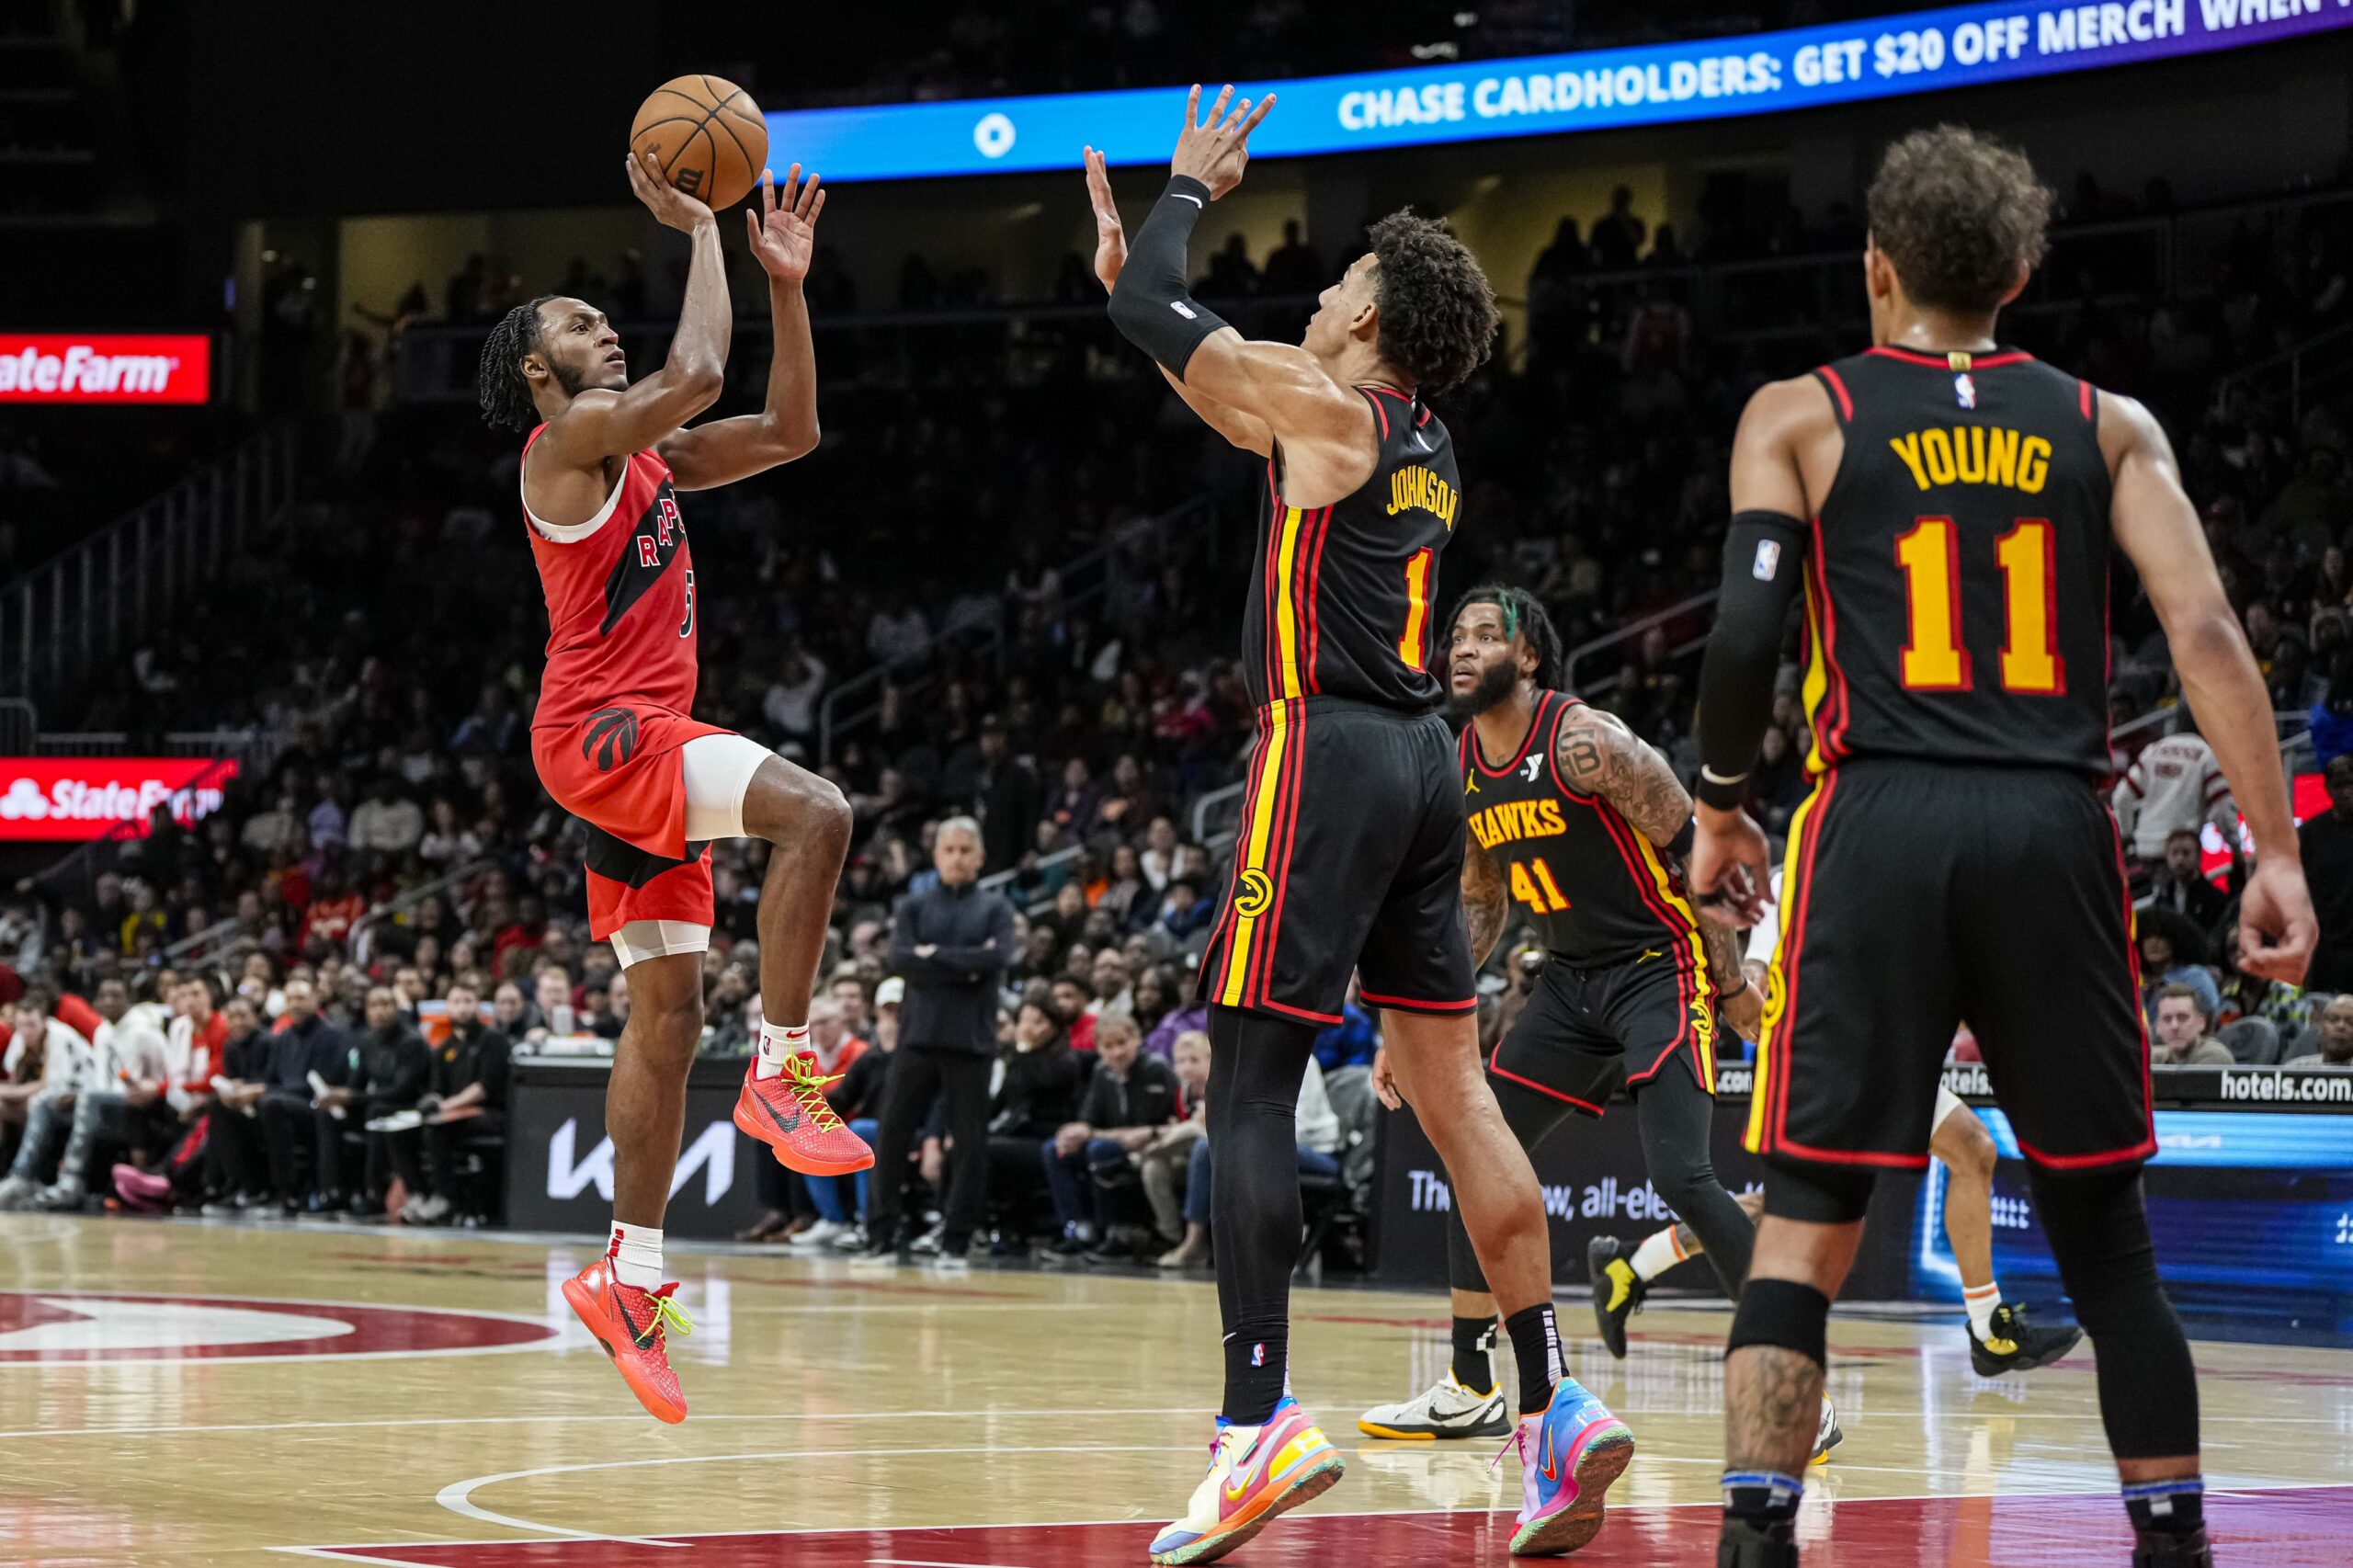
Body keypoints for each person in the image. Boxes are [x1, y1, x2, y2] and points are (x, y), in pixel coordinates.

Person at [1686, 126, 2315, 1568]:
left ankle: (1757, 1541)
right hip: (2049, 822)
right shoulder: (2109, 423)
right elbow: (2207, 633)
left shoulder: (1800, 412)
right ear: (2021, 272)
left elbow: (1740, 637)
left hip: (1879, 822)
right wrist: (2273, 847)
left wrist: (1720, 808)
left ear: (1876, 265)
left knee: (1805, 1224)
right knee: (2106, 1234)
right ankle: (2171, 1545)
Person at [1088, 92, 1620, 1563]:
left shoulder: (1332, 410)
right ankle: (1553, 1408)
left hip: (1320, 753)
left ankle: (1253, 1423)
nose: (1319, 295)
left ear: (1374, 315)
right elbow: (1205, 369)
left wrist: (1187, 198)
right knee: (1458, 1098)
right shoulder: (1420, 438)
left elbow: (1167, 313)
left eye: (1337, 284)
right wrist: (1141, 300)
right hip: (1424, 773)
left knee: (1251, 1076)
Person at [477, 153, 865, 1421]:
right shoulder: (567, 444)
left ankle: (628, 1273)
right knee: (818, 811)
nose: (606, 328)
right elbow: (695, 371)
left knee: (666, 1014)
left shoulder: (651, 456)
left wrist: (787, 288)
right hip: (604, 732)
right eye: (580, 324)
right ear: (540, 372)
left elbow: (794, 430)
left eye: (603, 317)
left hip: (626, 742)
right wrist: (702, 226)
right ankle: (787, 1065)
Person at [1358, 588, 1778, 1447]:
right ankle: (1469, 1385)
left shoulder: (1589, 743)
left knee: (1682, 1175)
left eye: (1485, 636)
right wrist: (1409, 1021)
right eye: (1456, 638)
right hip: (1571, 981)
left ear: (1531, 658)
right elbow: (1479, 905)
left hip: (1664, 968)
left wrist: (1732, 984)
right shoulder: (1459, 761)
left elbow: (1695, 850)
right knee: (1476, 1147)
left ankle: (1788, 1371)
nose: (1461, 651)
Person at [863, 818, 1016, 1267]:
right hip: (917, 1037)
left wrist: (934, 958)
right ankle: (881, 1236)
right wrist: (964, 965)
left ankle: (956, 1239)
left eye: (966, 850)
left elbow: (997, 957)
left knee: (969, 1143)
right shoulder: (913, 905)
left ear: (981, 857)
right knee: (891, 1135)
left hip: (972, 1041)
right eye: (949, 849)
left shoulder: (996, 908)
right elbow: (901, 958)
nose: (957, 858)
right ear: (936, 855)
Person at [1039, 1012, 1182, 1259]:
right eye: (1108, 1046)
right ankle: (1078, 1229)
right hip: (1113, 1141)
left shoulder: (1156, 1069)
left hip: (1156, 1144)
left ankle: (1119, 1233)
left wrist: (1091, 1133)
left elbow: (1142, 1131)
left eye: (1121, 1043)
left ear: (1137, 1039)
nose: (1116, 1052)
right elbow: (1089, 1119)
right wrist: (1074, 1132)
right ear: (1098, 1049)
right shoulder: (1101, 1072)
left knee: (1100, 1150)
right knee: (1056, 1149)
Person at [0, 988, 94, 1209]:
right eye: (22, 1025)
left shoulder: (58, 1036)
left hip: (82, 1101)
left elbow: (51, 1088)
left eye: (32, 1025)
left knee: (37, 1103)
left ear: (45, 1021)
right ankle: (6, 1171)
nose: (27, 1031)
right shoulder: (19, 1038)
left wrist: (6, 1092)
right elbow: (16, 1081)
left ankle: (22, 1176)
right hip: (51, 1102)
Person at [1144, 1028, 1212, 1263]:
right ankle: (1172, 1235)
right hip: (1190, 1155)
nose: (1187, 1066)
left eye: (1194, 1060)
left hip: (1216, 1154)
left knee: (1193, 1137)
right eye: (1181, 1061)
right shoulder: (1182, 1092)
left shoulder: (1219, 1085)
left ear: (1211, 1060)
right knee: (1153, 1167)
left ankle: (1198, 1241)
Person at [2295, 754, 2353, 991]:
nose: (2347, 792)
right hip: (2326, 948)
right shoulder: (2309, 835)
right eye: (2340, 785)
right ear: (2328, 789)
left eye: (2352, 783)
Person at [2147, 828, 2230, 934]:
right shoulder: (2162, 898)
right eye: (2174, 853)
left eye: (2186, 853)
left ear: (2198, 857)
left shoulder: (2215, 899)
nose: (2180, 859)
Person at [2149, 985, 2236, 1067]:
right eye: (2167, 1019)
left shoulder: (2215, 1056)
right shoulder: (2154, 1057)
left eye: (2182, 1017)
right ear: (2157, 1027)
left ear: (2201, 1022)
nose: (2174, 1026)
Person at [2284, 994, 2353, 1066]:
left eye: (2351, 1022)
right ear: (2321, 1026)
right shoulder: (2297, 1068)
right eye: (2333, 1019)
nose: (2341, 1026)